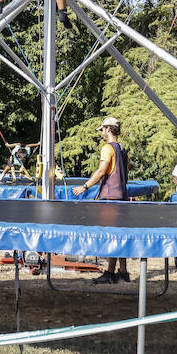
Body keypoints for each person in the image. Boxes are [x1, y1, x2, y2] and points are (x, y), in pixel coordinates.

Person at [72, 116, 131, 284]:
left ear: (108, 129)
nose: (102, 133)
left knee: (112, 237)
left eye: (103, 130)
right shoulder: (122, 149)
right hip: (122, 197)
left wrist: (84, 187)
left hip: (110, 198)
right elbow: (124, 172)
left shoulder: (107, 148)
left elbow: (101, 171)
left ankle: (113, 274)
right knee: (118, 236)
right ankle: (121, 272)